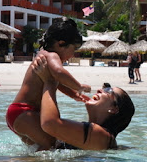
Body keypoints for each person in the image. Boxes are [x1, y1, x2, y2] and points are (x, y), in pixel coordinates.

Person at [5, 17, 91, 150]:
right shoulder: (51, 55)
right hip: (24, 112)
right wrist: (79, 86)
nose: (73, 54)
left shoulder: (43, 55)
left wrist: (73, 94)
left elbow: (57, 82)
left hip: (19, 113)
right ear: (61, 43)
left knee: (44, 148)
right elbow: (58, 72)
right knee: (50, 144)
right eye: (73, 49)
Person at [32, 55, 135, 150]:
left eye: (108, 90)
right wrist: (52, 77)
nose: (100, 90)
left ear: (113, 109)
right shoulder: (97, 135)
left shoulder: (102, 136)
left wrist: (49, 81)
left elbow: (49, 123)